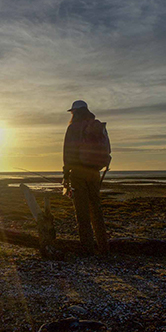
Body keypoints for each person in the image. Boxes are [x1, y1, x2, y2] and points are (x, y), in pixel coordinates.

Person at [62, 100, 110, 255]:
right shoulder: (97, 126)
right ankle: (103, 247)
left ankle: (87, 248)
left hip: (78, 173)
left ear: (74, 112)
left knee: (82, 212)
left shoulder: (73, 128)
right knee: (96, 209)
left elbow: (67, 152)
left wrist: (66, 174)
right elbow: (107, 148)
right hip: (95, 173)